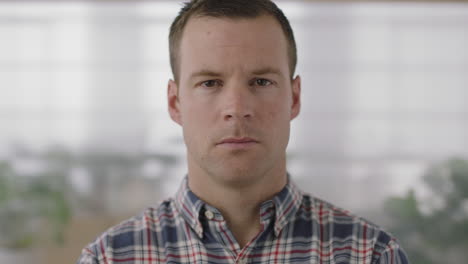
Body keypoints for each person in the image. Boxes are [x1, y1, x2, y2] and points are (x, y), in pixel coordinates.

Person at [77, 0, 409, 263]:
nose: (236, 107)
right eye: (210, 83)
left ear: (294, 98)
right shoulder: (110, 258)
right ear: (175, 103)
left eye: (261, 81)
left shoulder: (371, 255)